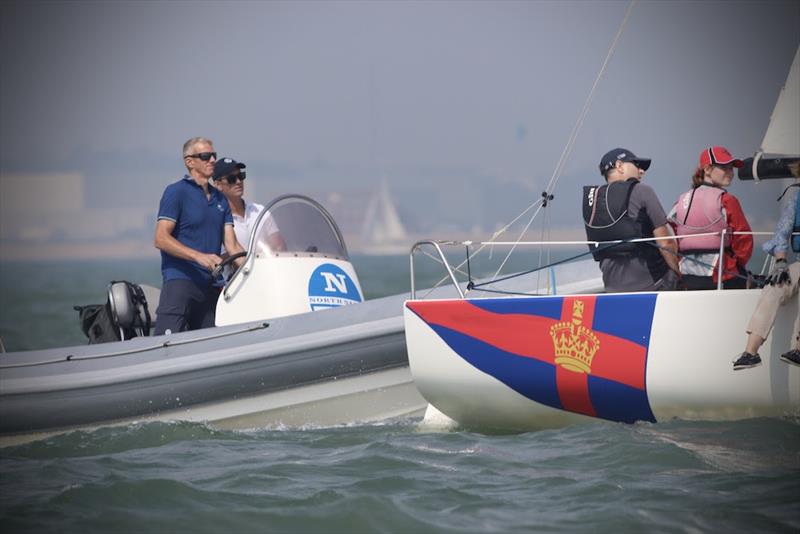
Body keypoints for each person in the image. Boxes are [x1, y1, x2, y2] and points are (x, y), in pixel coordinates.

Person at [153, 137, 246, 335]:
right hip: (180, 283)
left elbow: (233, 246)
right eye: (205, 156)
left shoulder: (221, 198)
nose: (212, 160)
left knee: (214, 347)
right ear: (189, 161)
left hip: (210, 287)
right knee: (164, 346)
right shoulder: (176, 192)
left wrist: (257, 270)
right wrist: (198, 256)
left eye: (214, 155)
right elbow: (160, 238)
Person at [582, 147, 680, 292]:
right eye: (636, 165)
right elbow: (666, 242)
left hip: (612, 287)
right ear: (619, 166)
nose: (642, 171)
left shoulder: (594, 201)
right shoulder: (643, 191)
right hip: (653, 285)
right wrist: (679, 273)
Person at [733, 174, 800, 370]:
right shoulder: (797, 199)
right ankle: (750, 353)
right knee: (774, 285)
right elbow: (782, 233)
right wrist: (780, 262)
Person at [668, 146, 753, 290]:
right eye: (724, 167)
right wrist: (738, 267)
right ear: (707, 169)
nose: (730, 173)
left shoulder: (681, 201)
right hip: (723, 276)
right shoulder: (727, 200)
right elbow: (743, 240)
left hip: (687, 277)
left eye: (731, 168)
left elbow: (670, 234)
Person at [211, 157, 285, 256]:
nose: (238, 181)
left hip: (267, 270)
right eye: (231, 179)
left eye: (241, 176)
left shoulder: (260, 211)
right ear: (217, 185)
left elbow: (279, 247)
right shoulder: (213, 218)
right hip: (236, 271)